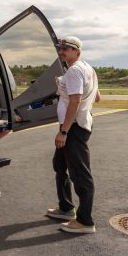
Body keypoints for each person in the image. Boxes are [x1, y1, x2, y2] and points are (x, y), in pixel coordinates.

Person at [45, 36, 101, 234]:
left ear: (77, 51)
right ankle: (66, 208)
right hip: (78, 124)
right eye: (60, 48)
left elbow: (75, 102)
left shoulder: (74, 70)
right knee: (60, 165)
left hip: (74, 128)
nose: (62, 51)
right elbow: (97, 97)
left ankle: (85, 221)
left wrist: (63, 131)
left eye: (67, 48)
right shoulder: (88, 69)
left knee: (80, 174)